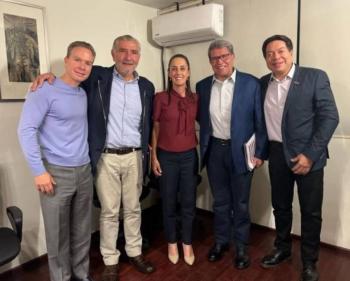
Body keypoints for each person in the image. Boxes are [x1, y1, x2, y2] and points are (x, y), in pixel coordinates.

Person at [31, 35, 155, 281]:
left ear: (139, 56)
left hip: (134, 156)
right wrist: (50, 76)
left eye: (134, 52)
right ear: (113, 54)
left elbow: (148, 123)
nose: (128, 57)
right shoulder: (98, 77)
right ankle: (110, 259)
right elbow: (73, 76)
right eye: (122, 51)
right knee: (109, 212)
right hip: (106, 157)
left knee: (133, 208)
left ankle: (135, 251)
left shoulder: (147, 87)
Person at [259, 35, 339, 281]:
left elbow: (329, 118)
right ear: (266, 59)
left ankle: (309, 262)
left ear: (291, 53)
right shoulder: (263, 83)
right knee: (281, 207)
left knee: (311, 212)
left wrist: (310, 155)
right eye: (270, 53)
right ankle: (282, 249)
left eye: (280, 51)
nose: (276, 57)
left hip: (308, 159)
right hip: (277, 155)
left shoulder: (315, 77)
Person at [18, 41, 96, 281]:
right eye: (77, 60)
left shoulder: (84, 92)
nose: (82, 66)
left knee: (83, 232)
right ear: (66, 60)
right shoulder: (44, 89)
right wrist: (38, 171)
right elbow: (26, 130)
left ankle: (81, 275)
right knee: (57, 235)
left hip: (84, 171)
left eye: (88, 62)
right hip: (55, 173)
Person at [196, 39, 268, 269]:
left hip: (242, 152)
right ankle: (221, 242)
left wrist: (259, 153)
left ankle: (241, 248)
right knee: (220, 202)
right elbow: (202, 118)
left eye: (224, 56)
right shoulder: (202, 86)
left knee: (242, 203)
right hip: (215, 150)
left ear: (233, 56)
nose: (220, 61)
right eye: (215, 58)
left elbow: (260, 121)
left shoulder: (251, 84)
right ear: (210, 61)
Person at [151, 54, 198, 266]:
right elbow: (156, 127)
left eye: (182, 68)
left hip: (189, 156)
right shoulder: (160, 97)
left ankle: (187, 242)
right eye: (174, 68)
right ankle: (171, 241)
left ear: (188, 72)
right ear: (169, 74)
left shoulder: (196, 98)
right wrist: (154, 157)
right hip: (166, 156)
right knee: (168, 201)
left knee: (188, 202)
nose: (178, 72)